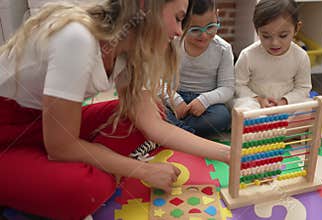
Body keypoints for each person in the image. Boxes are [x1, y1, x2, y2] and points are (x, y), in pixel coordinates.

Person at [0, 0, 230, 219]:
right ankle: (53, 172)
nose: (179, 32)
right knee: (83, 189)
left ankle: (71, 168)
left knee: (148, 113)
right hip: (9, 131)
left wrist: (229, 154)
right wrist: (143, 170)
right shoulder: (78, 38)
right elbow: (59, 146)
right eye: (178, 18)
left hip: (48, 123)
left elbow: (155, 127)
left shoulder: (131, 51)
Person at [165, 0, 234, 138]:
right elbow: (156, 80)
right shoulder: (172, 44)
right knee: (150, 106)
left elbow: (227, 88)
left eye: (211, 27)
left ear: (217, 16)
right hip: (174, 97)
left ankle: (174, 132)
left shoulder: (223, 49)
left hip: (205, 104)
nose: (204, 35)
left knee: (221, 116)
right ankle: (184, 133)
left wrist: (204, 100)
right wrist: (174, 99)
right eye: (195, 30)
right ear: (182, 25)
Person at [233, 0, 312, 110]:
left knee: (308, 108)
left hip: (286, 104)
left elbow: (303, 88)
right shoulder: (248, 55)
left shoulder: (301, 56)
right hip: (256, 103)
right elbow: (238, 85)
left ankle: (285, 124)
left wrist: (285, 101)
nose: (275, 43)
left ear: (296, 29)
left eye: (283, 35)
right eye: (266, 36)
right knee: (242, 108)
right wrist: (258, 99)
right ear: (257, 30)